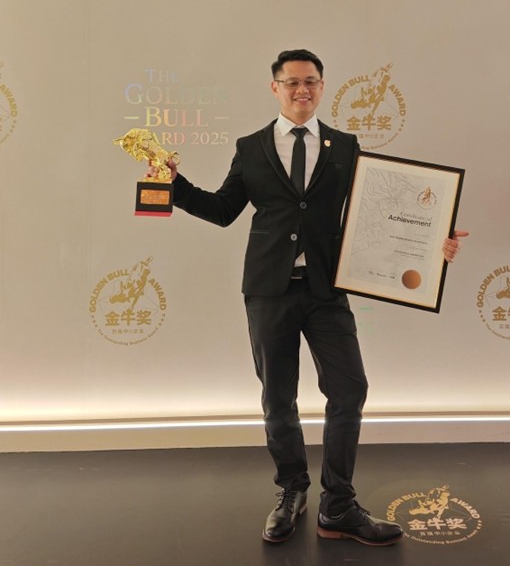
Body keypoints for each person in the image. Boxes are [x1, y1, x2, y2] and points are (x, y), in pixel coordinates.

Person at [148, 49, 468, 547]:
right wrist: (176, 186)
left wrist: (432, 244)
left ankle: (338, 504)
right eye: (292, 81)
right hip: (268, 290)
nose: (302, 89)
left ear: (322, 86)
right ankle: (292, 492)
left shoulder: (346, 145)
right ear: (275, 87)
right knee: (278, 397)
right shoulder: (251, 147)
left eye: (311, 81)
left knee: (350, 390)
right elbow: (223, 209)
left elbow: (380, 211)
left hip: (326, 290)